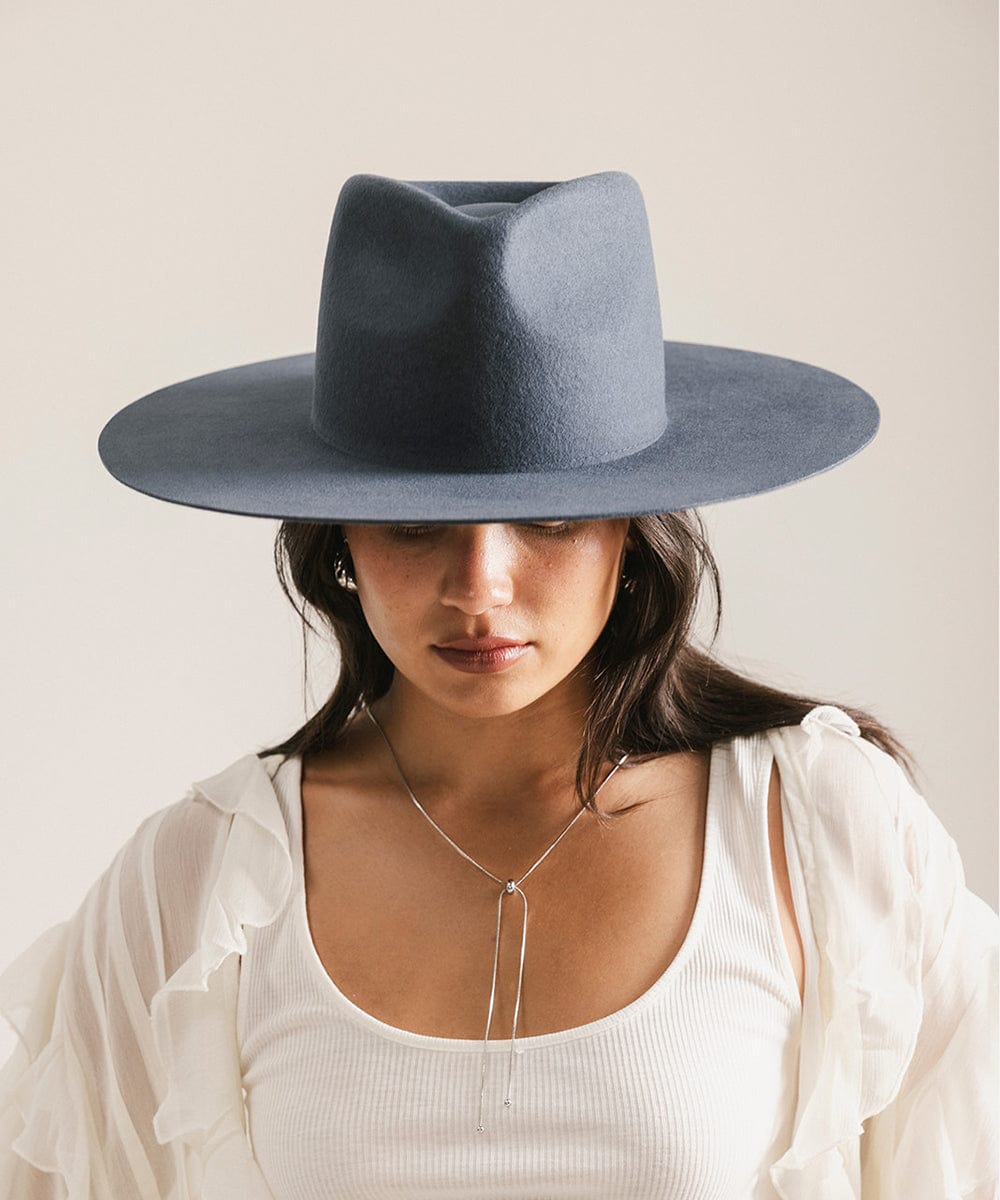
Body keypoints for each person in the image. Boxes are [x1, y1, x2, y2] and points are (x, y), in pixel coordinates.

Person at [0, 171, 996, 1199]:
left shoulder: (818, 834)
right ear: (337, 536)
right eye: (415, 523)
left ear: (634, 527)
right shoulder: (200, 884)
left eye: (550, 517)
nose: (480, 587)